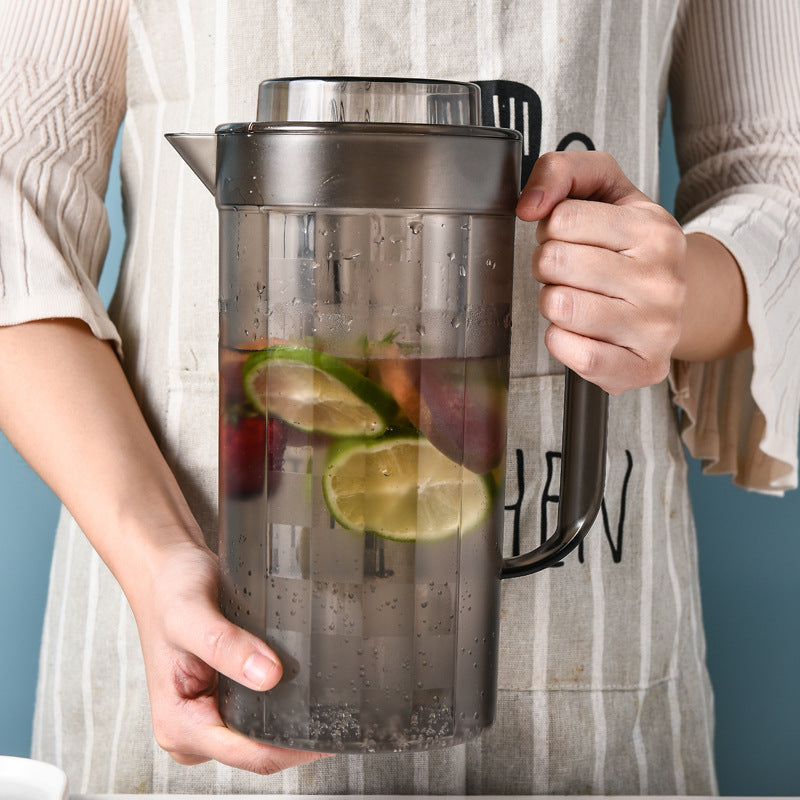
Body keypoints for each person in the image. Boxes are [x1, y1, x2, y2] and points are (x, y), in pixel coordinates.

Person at [1, 0, 798, 794]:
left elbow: (777, 174)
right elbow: (13, 208)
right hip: (187, 627)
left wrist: (675, 288)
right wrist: (159, 557)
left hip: (589, 677)